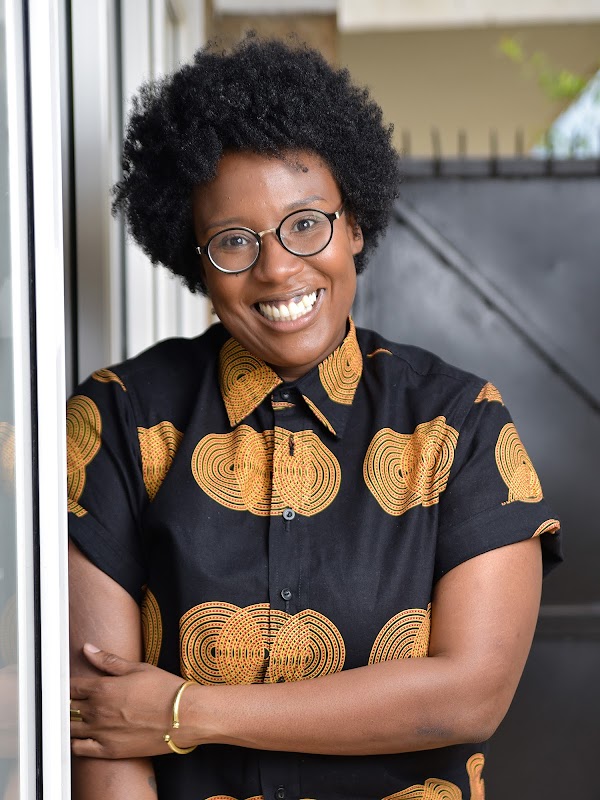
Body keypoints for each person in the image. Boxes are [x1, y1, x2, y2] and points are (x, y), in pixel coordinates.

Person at [67, 36, 562, 800]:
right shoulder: (121, 421)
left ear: (354, 226)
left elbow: (469, 697)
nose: (276, 268)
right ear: (195, 262)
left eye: (306, 223)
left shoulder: (458, 426)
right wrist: (145, 716)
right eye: (234, 241)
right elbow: (100, 722)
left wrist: (186, 712)